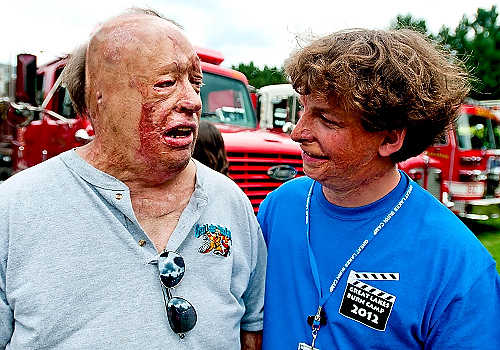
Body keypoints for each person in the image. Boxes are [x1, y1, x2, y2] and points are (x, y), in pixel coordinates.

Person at [0, 9, 265, 349]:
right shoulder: (15, 208)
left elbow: (251, 331)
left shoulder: (230, 202)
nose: (193, 102)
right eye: (166, 83)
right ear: (101, 95)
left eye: (196, 83)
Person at [258, 28, 500, 349]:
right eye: (303, 109)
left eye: (327, 119)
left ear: (389, 138)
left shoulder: (459, 267)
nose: (298, 132)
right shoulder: (279, 207)